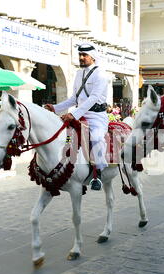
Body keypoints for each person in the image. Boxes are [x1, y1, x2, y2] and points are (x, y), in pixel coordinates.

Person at [45, 43, 109, 191]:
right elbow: (74, 98)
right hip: (79, 115)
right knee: (65, 136)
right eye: (80, 55)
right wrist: (55, 108)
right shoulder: (79, 74)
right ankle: (67, 169)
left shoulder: (101, 74)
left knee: (96, 138)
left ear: (92, 57)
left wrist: (73, 114)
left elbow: (93, 98)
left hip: (96, 116)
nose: (81, 58)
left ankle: (97, 174)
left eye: (84, 55)